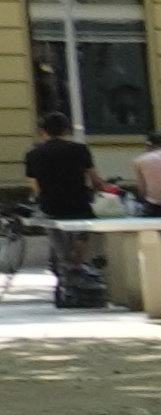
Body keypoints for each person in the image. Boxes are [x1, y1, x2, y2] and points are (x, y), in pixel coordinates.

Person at [22, 115, 98, 304]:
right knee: (82, 231)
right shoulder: (80, 150)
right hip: (79, 203)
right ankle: (77, 263)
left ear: (42, 131)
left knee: (53, 230)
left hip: (50, 205)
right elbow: (94, 178)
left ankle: (67, 265)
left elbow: (35, 185)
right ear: (66, 130)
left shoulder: (33, 154)